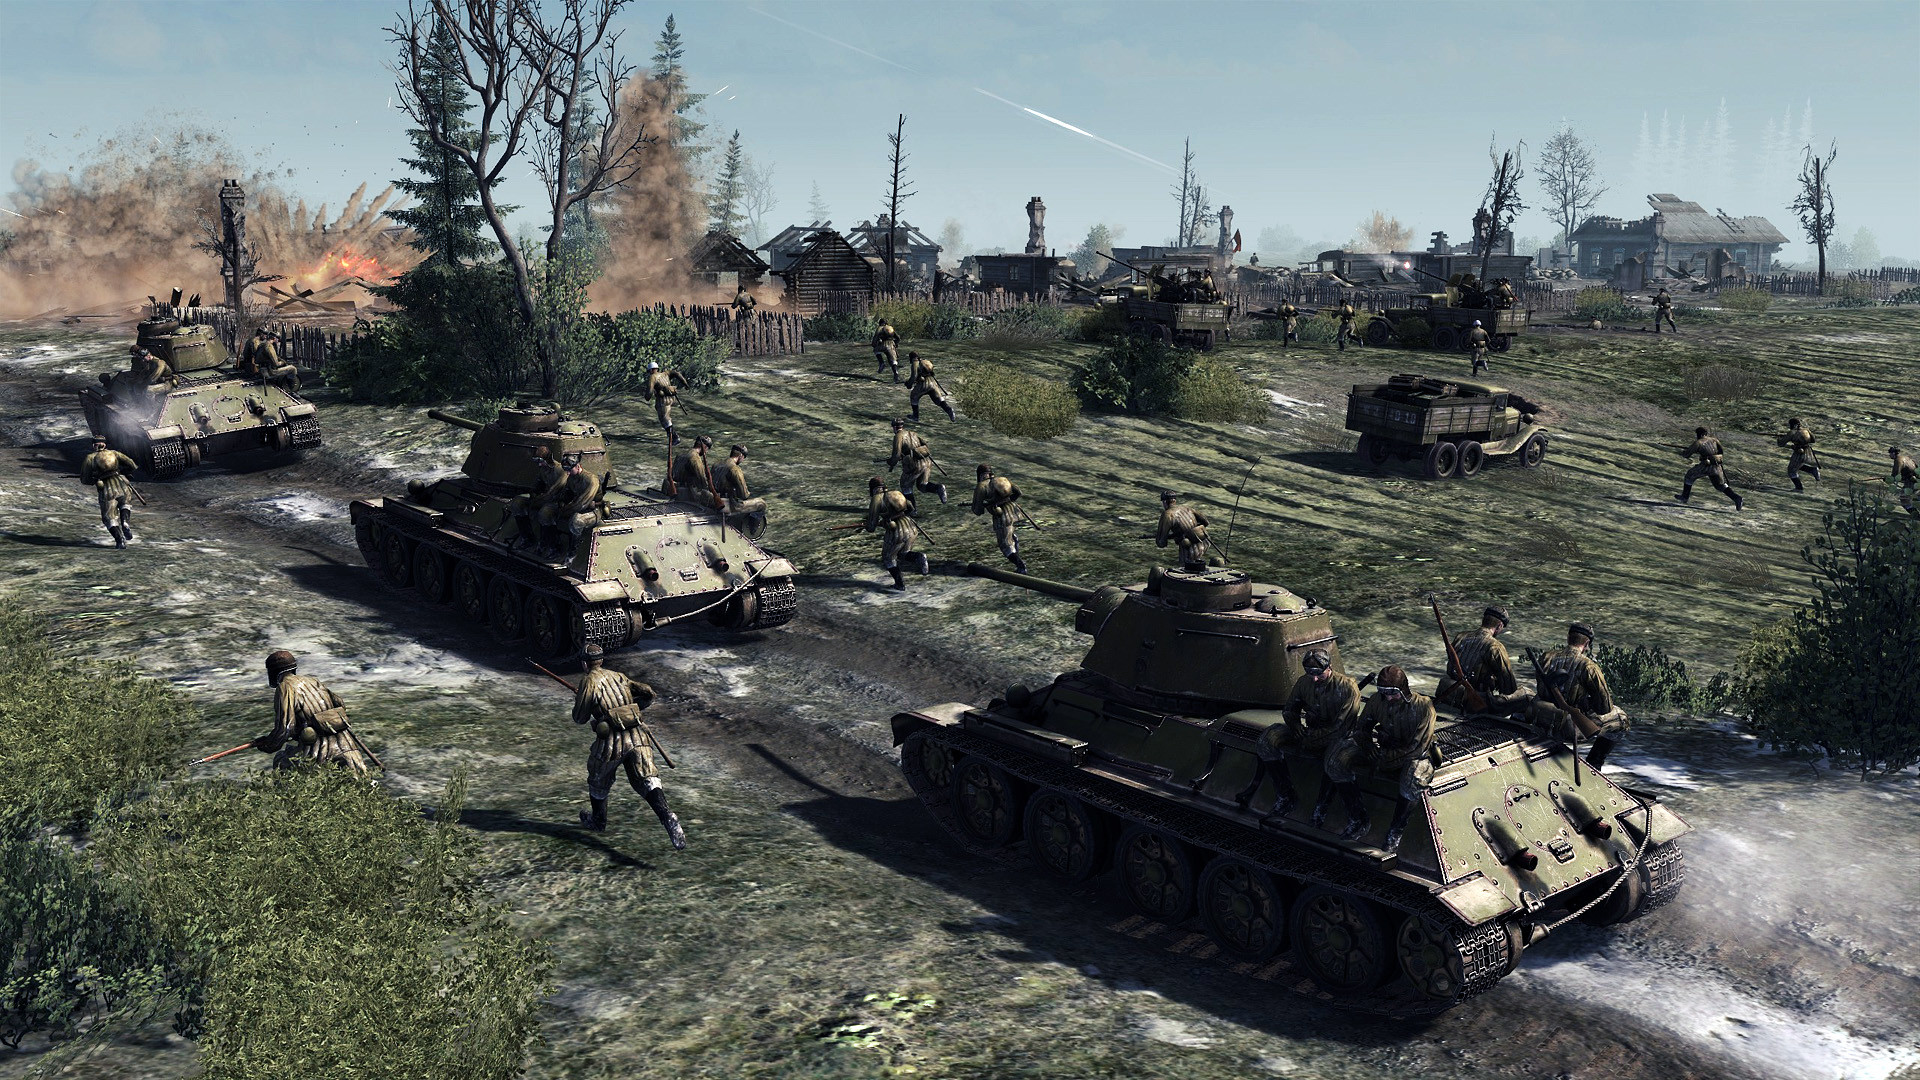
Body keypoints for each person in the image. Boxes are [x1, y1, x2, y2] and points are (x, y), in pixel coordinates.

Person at [1215, 649, 1361, 823]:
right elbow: (1290, 710)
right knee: (1267, 740)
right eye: (1310, 673)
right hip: (1309, 732)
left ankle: (1323, 808)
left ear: (1329, 667)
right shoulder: (1304, 682)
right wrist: (1296, 727)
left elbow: (1341, 726)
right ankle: (1285, 796)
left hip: (1336, 737)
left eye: (1318, 674)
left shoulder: (1347, 687)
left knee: (1333, 761)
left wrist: (1313, 737)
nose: (1314, 678)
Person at [572, 644, 684, 849]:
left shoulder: (589, 681)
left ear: (585, 664)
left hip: (611, 743)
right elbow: (649, 693)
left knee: (598, 779)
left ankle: (598, 821)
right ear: (601, 660)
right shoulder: (619, 676)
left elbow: (579, 718)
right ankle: (668, 816)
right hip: (638, 737)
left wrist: (582, 700)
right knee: (648, 779)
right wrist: (631, 710)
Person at [1322, 665, 1435, 849]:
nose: (1388, 698)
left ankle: (1395, 832)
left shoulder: (1423, 706)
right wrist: (1368, 747)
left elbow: (1417, 747)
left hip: (1413, 756)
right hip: (1383, 752)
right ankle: (1358, 819)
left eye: (1393, 693)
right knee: (1337, 760)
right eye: (1384, 692)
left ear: (1403, 690)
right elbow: (1361, 729)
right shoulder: (1377, 701)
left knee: (1414, 777)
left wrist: (1385, 759)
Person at [1524, 622, 1630, 768]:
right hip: (1565, 727)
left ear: (1568, 638)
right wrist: (1586, 703)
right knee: (1621, 719)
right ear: (1586, 644)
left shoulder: (1546, 657)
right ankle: (1594, 764)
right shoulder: (1588, 666)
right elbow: (1604, 708)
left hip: (1538, 718)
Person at [254, 650, 372, 773]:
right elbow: (340, 703)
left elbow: (286, 728)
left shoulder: (285, 687)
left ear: (273, 672)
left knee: (281, 762)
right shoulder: (314, 681)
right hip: (348, 747)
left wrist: (268, 744)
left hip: (318, 752)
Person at [1434, 605, 1519, 710]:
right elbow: (1509, 688)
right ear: (1499, 626)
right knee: (1523, 696)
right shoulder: (1495, 647)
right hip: (1473, 702)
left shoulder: (1460, 637)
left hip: (1446, 692)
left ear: (1484, 620)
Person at [864, 476, 925, 591]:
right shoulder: (897, 493)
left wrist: (869, 525)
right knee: (903, 553)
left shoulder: (877, 499)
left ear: (873, 489)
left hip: (896, 531)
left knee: (888, 558)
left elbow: (871, 526)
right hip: (910, 526)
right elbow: (910, 507)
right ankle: (918, 557)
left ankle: (900, 584)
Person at [540, 451, 603, 560]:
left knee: (576, 521)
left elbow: (582, 504)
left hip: (592, 510)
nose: (567, 473)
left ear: (578, 466)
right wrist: (561, 503)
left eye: (569, 469)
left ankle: (572, 554)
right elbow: (567, 494)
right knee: (546, 512)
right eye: (565, 470)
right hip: (574, 507)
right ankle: (555, 547)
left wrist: (564, 511)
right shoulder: (571, 477)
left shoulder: (591, 480)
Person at [80, 436, 141, 548]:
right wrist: (125, 473)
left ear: (94, 445)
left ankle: (120, 541)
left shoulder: (90, 458)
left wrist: (94, 480)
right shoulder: (114, 453)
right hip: (122, 484)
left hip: (107, 489)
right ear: (105, 445)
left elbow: (84, 479)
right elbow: (132, 464)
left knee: (109, 517)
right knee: (125, 504)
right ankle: (125, 522)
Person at [501, 444, 563, 549]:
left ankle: (553, 545)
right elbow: (537, 485)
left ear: (547, 459)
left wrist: (537, 500)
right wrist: (533, 494)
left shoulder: (560, 470)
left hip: (557, 500)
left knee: (545, 513)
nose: (539, 464)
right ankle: (527, 538)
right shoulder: (543, 469)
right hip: (544, 498)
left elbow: (554, 491)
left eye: (540, 461)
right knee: (518, 502)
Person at [970, 463, 1026, 573]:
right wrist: (1007, 500)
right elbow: (1018, 492)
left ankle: (1021, 566)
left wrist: (985, 505)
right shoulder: (1003, 480)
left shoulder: (981, 486)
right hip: (1015, 512)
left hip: (1002, 516)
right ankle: (1013, 541)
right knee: (1009, 536)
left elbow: (978, 511)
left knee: (1005, 546)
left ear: (981, 475)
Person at [1679, 426, 1743, 510]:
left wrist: (1683, 452)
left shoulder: (1698, 443)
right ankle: (1737, 498)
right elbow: (1721, 452)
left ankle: (1685, 497)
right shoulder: (1714, 440)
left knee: (1689, 476)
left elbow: (1686, 455)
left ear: (1699, 434)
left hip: (1706, 466)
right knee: (1720, 485)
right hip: (1717, 466)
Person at [888, 419, 947, 509]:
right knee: (922, 485)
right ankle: (938, 488)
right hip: (926, 462)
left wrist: (891, 462)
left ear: (894, 427)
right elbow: (925, 446)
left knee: (906, 486)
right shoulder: (913, 434)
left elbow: (896, 455)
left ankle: (912, 510)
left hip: (913, 465)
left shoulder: (898, 436)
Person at [714, 444, 767, 532]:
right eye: (743, 458)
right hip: (726, 504)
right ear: (740, 456)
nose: (743, 460)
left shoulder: (717, 464)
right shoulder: (735, 469)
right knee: (761, 504)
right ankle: (752, 531)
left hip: (712, 500)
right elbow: (744, 495)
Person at [1154, 491, 1211, 569]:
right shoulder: (1187, 508)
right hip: (1204, 543)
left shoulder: (1167, 514)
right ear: (1174, 500)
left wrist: (1182, 535)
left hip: (1189, 549)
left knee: (1185, 568)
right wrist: (1192, 530)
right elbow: (1206, 522)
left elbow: (1161, 542)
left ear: (1165, 502)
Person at [644, 361, 686, 445]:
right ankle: (671, 436)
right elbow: (676, 373)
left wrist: (647, 397)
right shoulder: (665, 374)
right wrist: (685, 383)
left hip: (663, 400)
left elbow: (649, 391)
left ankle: (674, 437)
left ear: (651, 370)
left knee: (664, 419)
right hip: (671, 398)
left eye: (649, 371)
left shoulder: (653, 377)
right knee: (666, 418)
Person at [906, 351, 956, 422]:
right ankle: (949, 410)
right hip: (932, 383)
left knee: (914, 396)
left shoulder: (915, 363)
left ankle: (915, 416)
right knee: (938, 399)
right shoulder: (926, 361)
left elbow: (914, 376)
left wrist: (909, 384)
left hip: (923, 384)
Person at [670, 434, 718, 504]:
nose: (706, 452)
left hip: (676, 489)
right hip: (688, 494)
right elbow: (702, 482)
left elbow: (672, 474)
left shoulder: (681, 454)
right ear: (704, 447)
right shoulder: (695, 458)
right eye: (707, 449)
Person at [1777, 418, 1821, 492]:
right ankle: (1812, 470)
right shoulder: (1806, 430)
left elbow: (1781, 444)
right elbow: (1813, 440)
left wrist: (1779, 438)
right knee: (1798, 466)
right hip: (1808, 452)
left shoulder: (1792, 433)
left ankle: (1799, 488)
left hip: (1799, 452)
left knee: (1791, 471)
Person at [1891, 445, 1918, 517]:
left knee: (1904, 500)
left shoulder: (1898, 460)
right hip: (1916, 480)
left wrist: (1888, 479)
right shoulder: (1906, 458)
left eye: (1890, 453)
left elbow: (1895, 474)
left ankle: (1916, 516)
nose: (1889, 455)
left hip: (1911, 482)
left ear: (1893, 453)